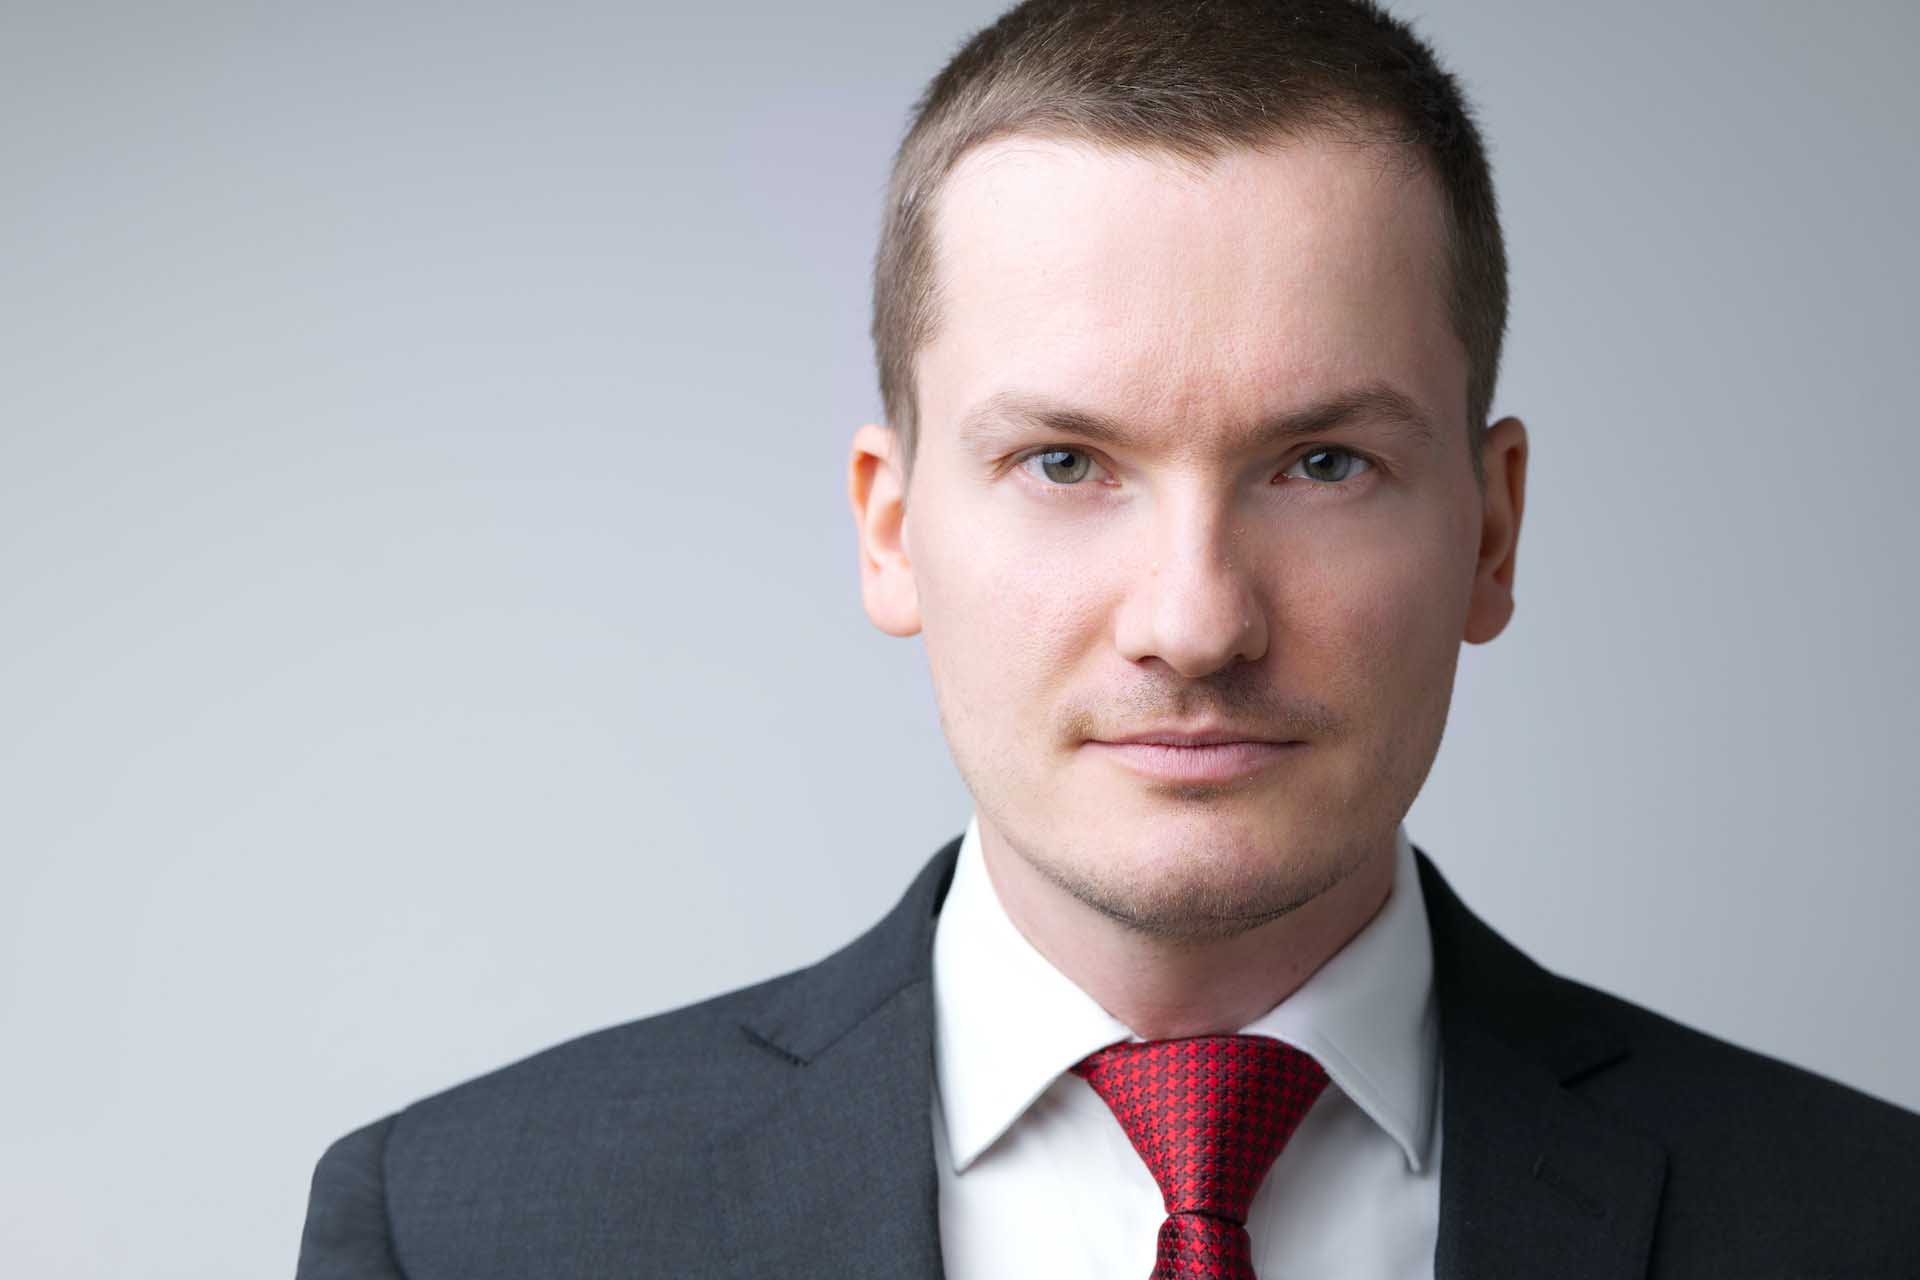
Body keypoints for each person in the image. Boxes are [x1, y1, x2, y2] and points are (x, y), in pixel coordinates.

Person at [295, 1, 1920, 1276]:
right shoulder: (468, 1233)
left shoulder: (1863, 1224)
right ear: (889, 525)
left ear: (1491, 531)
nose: (1196, 621)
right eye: (1066, 463)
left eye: (1323, 463)